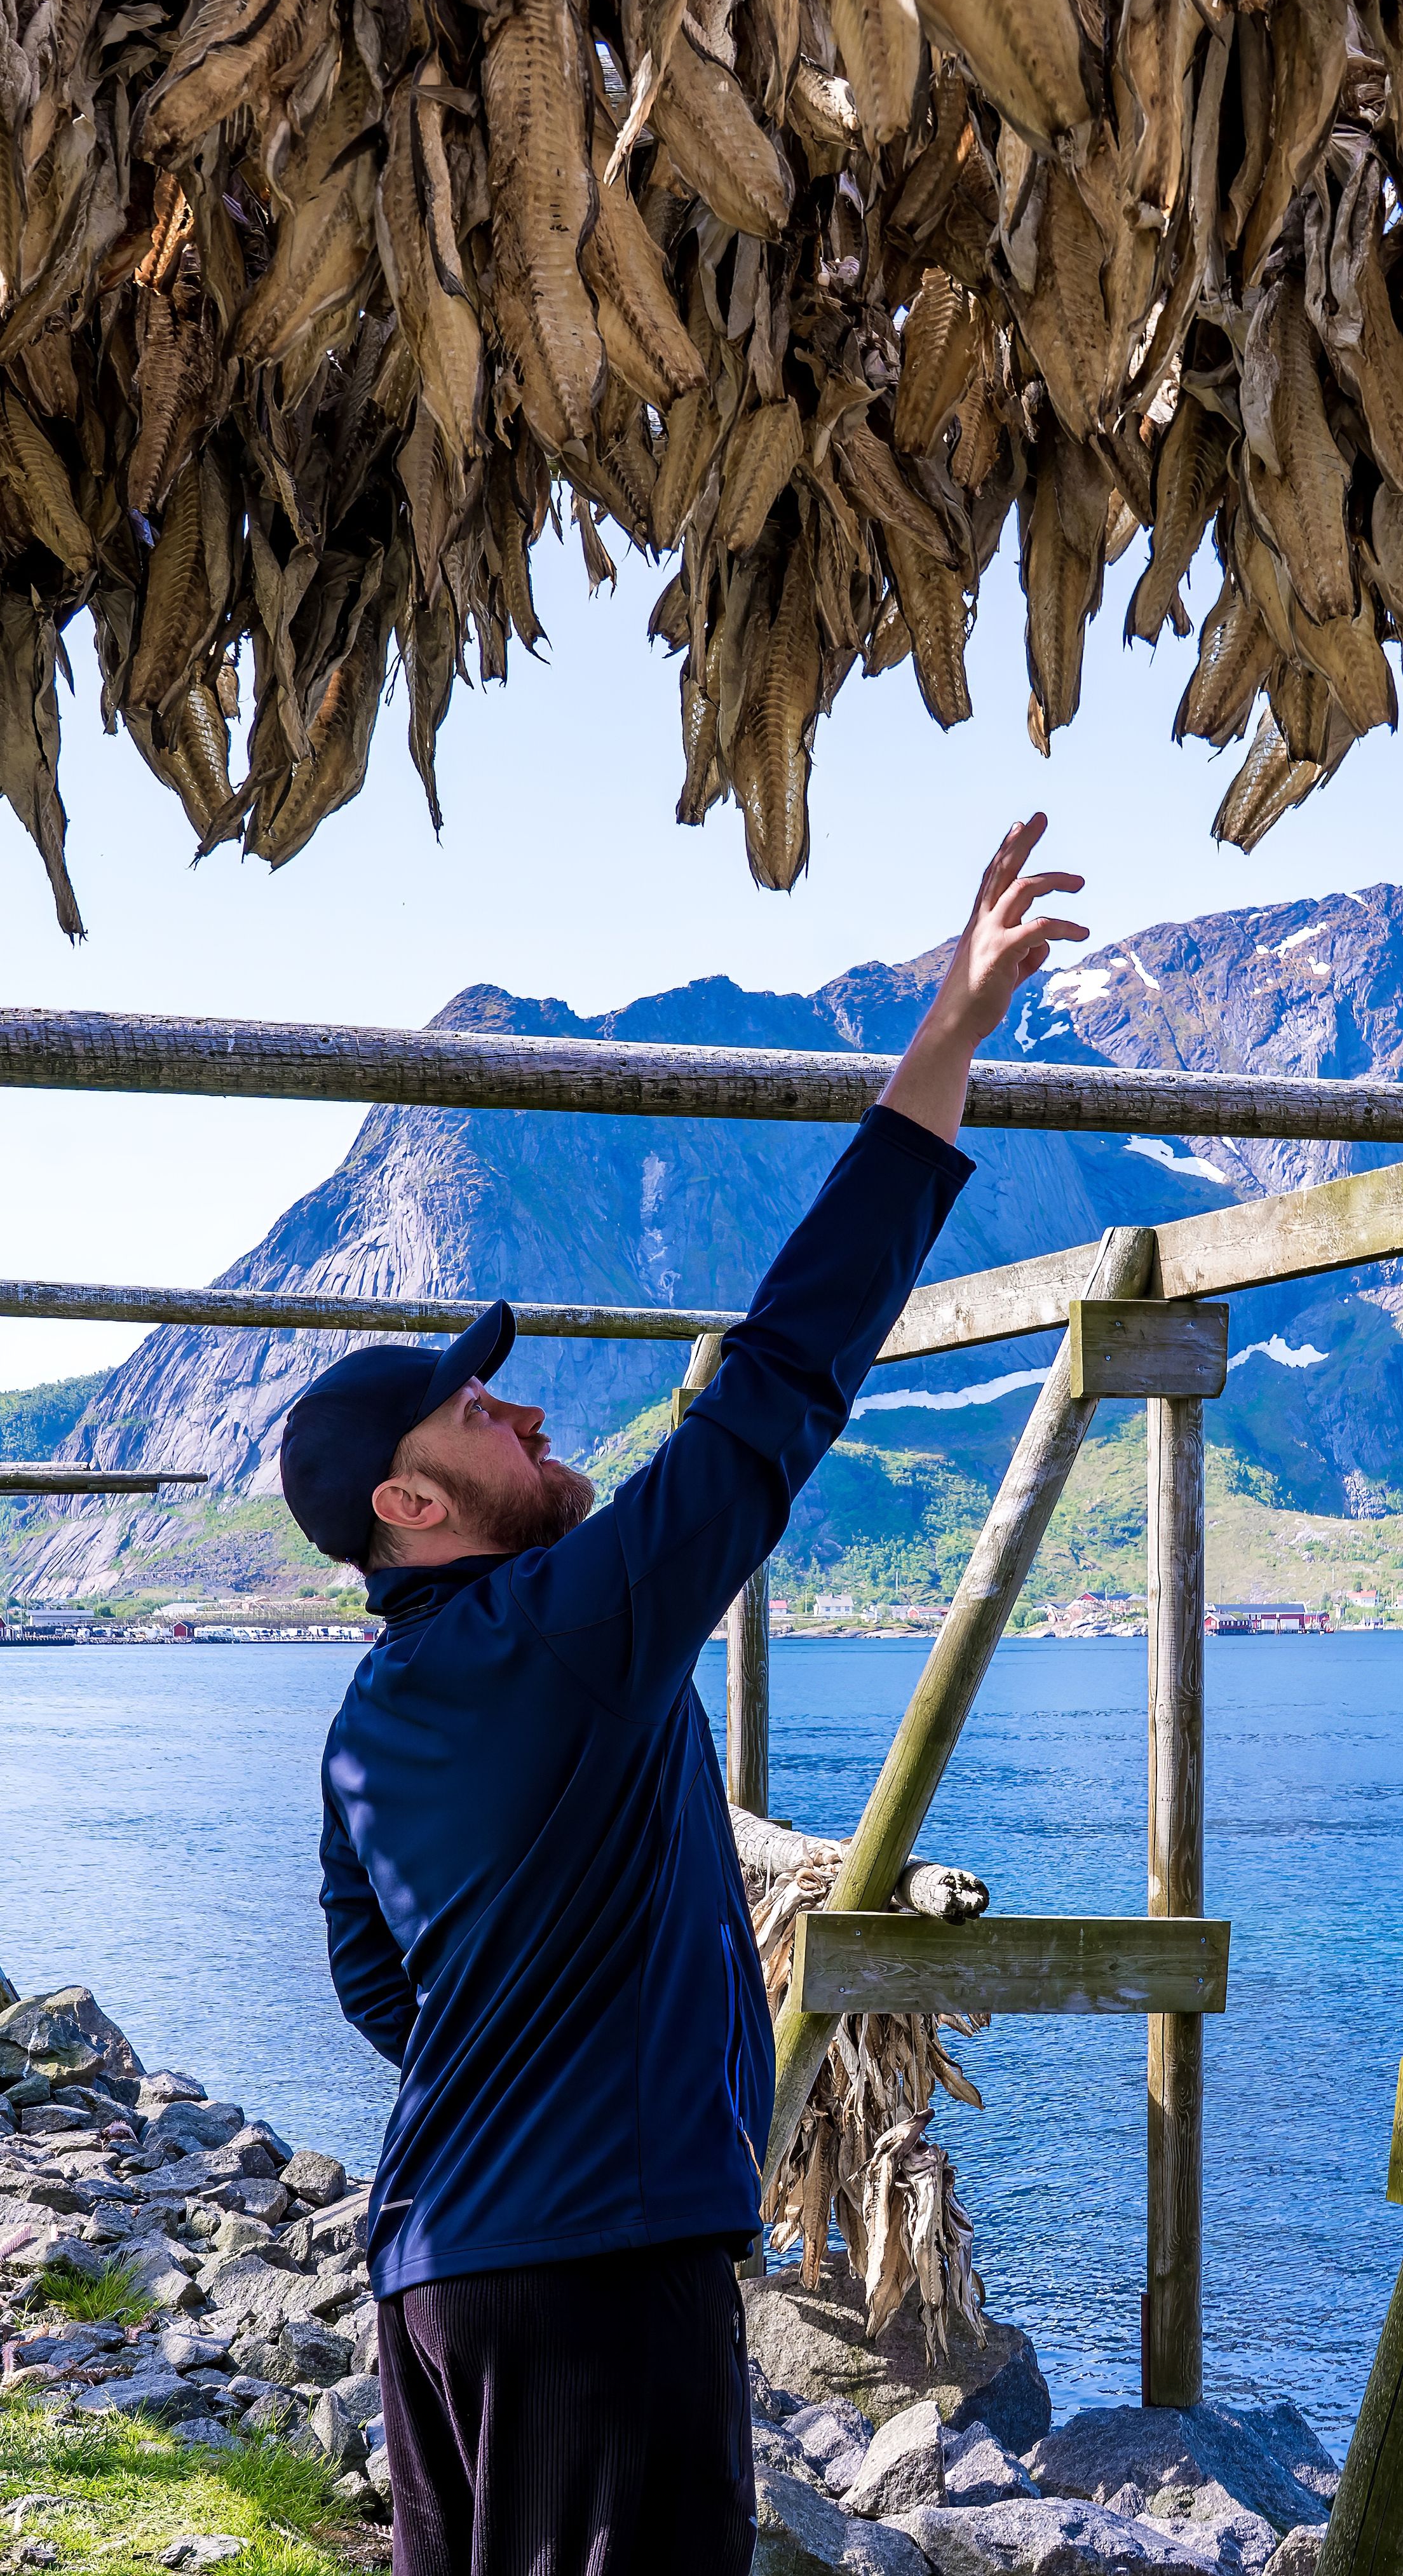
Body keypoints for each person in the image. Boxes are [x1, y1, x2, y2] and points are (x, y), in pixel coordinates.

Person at [281, 817, 1090, 2576]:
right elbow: (778, 1388)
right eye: (478, 1418)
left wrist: (532, 2068)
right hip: (588, 2285)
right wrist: (940, 1053)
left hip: (437, 2281)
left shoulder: (376, 1711)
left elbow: (369, 1975)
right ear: (408, 1510)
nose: (529, 1416)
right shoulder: (563, 1634)